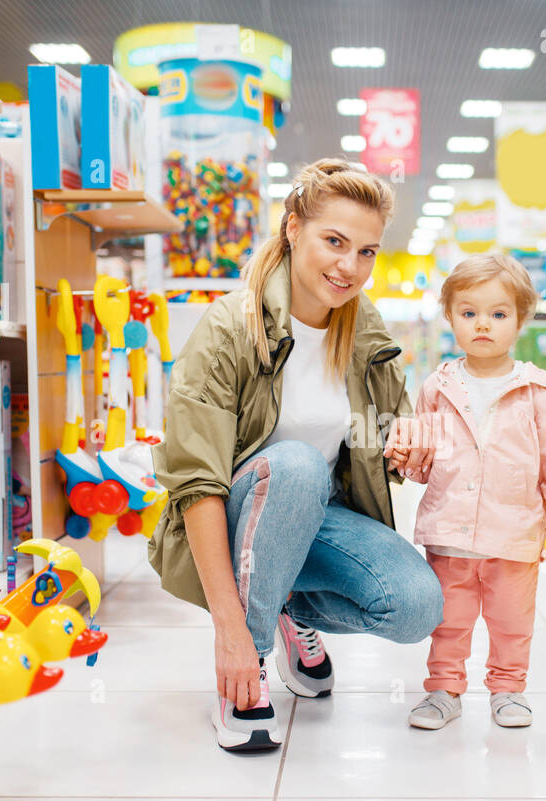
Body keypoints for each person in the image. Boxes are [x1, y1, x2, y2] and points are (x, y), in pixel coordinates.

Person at [148, 158, 444, 752]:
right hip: (232, 515)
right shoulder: (230, 326)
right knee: (297, 465)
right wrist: (230, 632)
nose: (349, 267)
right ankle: (248, 664)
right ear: (292, 229)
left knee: (416, 607)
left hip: (314, 518)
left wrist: (404, 441)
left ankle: (288, 608)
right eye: (334, 241)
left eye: (366, 251)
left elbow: (384, 424)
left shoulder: (363, 327)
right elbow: (197, 483)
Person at [396, 253, 546, 730]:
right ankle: (443, 690)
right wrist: (406, 457)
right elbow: (425, 461)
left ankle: (508, 690)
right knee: (449, 621)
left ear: (520, 320)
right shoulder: (436, 388)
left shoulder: (540, 393)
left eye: (498, 314)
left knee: (511, 621)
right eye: (469, 313)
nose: (483, 325)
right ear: (451, 318)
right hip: (449, 531)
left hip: (514, 534)